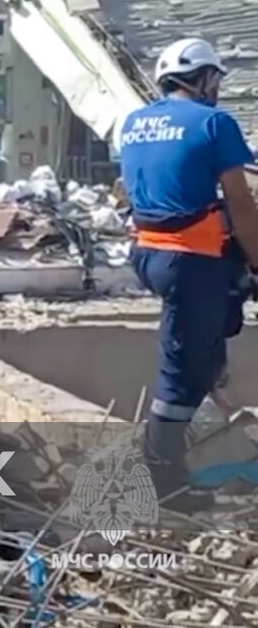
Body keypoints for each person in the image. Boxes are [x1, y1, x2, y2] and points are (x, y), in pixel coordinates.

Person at [118, 37, 258, 508]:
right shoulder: (215, 122)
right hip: (191, 260)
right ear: (203, 77)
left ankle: (213, 371)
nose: (218, 88)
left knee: (205, 332)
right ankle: (162, 480)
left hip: (150, 255)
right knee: (179, 374)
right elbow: (241, 202)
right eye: (216, 78)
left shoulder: (135, 123)